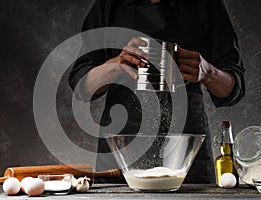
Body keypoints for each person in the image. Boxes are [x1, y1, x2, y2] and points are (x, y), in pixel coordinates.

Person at [69, 0, 245, 183]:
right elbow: (82, 86)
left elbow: (233, 88)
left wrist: (208, 72)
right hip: (122, 140)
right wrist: (117, 65)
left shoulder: (207, 5)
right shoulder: (110, 4)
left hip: (184, 142)